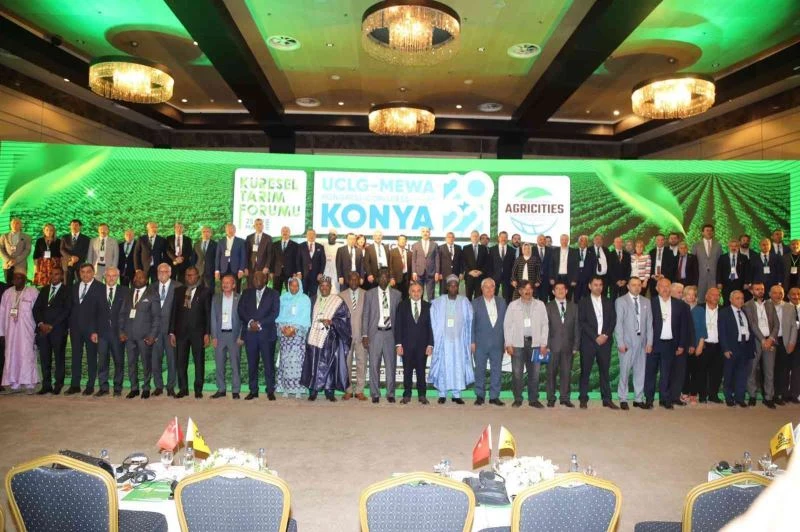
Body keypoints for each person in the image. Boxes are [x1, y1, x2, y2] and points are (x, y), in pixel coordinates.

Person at [300, 277, 351, 401]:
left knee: (329, 365)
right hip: (313, 337)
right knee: (313, 364)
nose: (324, 288)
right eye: (322, 285)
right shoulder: (313, 299)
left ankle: (329, 391)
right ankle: (313, 391)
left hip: (329, 339)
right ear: (319, 287)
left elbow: (344, 319)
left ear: (330, 287)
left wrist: (332, 322)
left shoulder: (337, 301)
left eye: (326, 286)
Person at [645, 278, 690, 409]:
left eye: (667, 286)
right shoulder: (650, 303)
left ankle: (665, 399)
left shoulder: (680, 305)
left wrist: (681, 345)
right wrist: (647, 342)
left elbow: (684, 327)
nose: (665, 289)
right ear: (657, 288)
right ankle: (649, 399)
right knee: (650, 373)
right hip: (653, 344)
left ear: (670, 288)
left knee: (667, 374)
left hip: (670, 344)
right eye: (662, 286)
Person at [430, 275, 474, 403]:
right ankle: (442, 394)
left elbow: (470, 321)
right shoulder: (439, 302)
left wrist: (468, 339)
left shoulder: (464, 301)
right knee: (443, 367)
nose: (453, 288)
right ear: (447, 287)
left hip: (459, 341)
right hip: (444, 341)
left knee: (458, 367)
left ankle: (456, 395)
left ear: (458, 287)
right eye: (451, 286)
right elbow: (433, 320)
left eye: (455, 286)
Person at [504, 280, 548, 408]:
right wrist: (508, 343)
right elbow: (507, 325)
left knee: (535, 374)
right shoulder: (512, 305)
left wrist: (543, 343)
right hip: (517, 344)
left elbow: (545, 325)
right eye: (524, 289)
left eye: (530, 288)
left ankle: (533, 399)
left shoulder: (540, 305)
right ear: (520, 291)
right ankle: (518, 398)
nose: (527, 291)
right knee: (517, 373)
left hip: (535, 344)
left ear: (533, 290)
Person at [65, 263, 107, 395]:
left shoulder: (101, 287)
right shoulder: (74, 287)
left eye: (88, 272)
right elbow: (70, 308)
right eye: (82, 272)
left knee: (91, 358)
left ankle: (90, 385)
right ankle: (75, 385)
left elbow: (102, 312)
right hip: (75, 329)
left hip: (92, 330)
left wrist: (96, 330)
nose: (85, 274)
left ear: (93, 273)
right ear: (79, 273)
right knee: (75, 357)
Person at [238, 271, 280, 400]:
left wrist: (260, 323)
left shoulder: (273, 294)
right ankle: (253, 390)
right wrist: (251, 322)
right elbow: (241, 310)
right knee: (252, 364)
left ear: (265, 279)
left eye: (258, 278)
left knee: (268, 364)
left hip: (266, 334)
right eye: (254, 278)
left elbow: (275, 313)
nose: (256, 280)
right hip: (250, 334)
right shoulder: (246, 293)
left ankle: (270, 390)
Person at [169, 266, 210, 399]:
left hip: (198, 333)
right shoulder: (178, 291)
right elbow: (174, 312)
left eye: (192, 275)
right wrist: (172, 332)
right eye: (187, 275)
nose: (189, 277)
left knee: (199, 362)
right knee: (181, 362)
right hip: (181, 333)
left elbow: (208, 314)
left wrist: (207, 333)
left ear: (197, 276)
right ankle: (183, 389)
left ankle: (198, 389)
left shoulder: (205, 291)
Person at [119, 269, 161, 399]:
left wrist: (152, 336)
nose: (138, 279)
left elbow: (157, 318)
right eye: (136, 277)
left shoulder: (152, 294)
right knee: (131, 363)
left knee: (146, 364)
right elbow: (122, 314)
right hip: (129, 336)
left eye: (141, 277)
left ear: (146, 280)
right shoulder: (128, 293)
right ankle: (134, 388)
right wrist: (121, 331)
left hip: (145, 337)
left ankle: (146, 388)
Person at [578, 276, 617, 409]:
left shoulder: (608, 301)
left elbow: (613, 320)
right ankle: (583, 398)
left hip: (605, 342)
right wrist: (595, 337)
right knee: (585, 371)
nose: (598, 287)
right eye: (595, 285)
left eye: (600, 285)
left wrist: (605, 335)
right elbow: (582, 322)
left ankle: (607, 399)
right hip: (589, 342)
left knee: (605, 372)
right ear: (590, 286)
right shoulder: (583, 302)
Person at [614, 277, 653, 410]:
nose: (637, 287)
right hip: (627, 342)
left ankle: (638, 398)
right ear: (628, 287)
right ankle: (623, 398)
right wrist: (620, 342)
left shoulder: (646, 301)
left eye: (639, 285)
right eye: (634, 285)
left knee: (640, 371)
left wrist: (649, 342)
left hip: (642, 342)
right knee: (624, 372)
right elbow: (618, 323)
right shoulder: (621, 301)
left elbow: (649, 324)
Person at [363, 269, 401, 403]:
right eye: (381, 277)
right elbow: (365, 315)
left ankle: (390, 393)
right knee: (374, 365)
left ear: (389, 279)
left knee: (391, 365)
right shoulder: (369, 294)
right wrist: (365, 334)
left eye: (386, 277)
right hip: (375, 334)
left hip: (390, 333)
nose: (384, 279)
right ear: (377, 279)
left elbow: (399, 317)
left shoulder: (397, 294)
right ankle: (375, 393)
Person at [394, 281, 434, 404]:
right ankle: (407, 395)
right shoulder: (402, 306)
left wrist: (430, 344)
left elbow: (431, 327)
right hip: (406, 345)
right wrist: (398, 344)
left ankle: (422, 395)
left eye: (418, 291)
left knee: (421, 371)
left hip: (422, 346)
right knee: (407, 371)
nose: (416, 293)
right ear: (409, 292)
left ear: (422, 292)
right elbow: (398, 326)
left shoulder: (428, 306)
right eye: (413, 291)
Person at [32, 266, 70, 394]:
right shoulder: (44, 290)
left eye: (57, 274)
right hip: (43, 330)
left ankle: (58, 384)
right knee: (44, 359)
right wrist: (41, 324)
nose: (54, 276)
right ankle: (46, 385)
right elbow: (36, 309)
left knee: (59, 358)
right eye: (52, 274)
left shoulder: (67, 290)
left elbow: (66, 311)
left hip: (58, 330)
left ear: (61, 276)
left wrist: (52, 325)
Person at [0, 272, 39, 393]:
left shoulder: (33, 292)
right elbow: (1, 313)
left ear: (25, 280)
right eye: (15, 278)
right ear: (12, 280)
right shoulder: (7, 293)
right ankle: (13, 382)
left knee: (27, 355)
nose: (17, 280)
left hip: (27, 331)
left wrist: (37, 330)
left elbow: (38, 312)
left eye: (20, 278)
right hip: (11, 331)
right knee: (11, 355)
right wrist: (1, 333)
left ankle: (29, 383)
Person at [743, 281, 779, 408]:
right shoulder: (747, 305)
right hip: (756, 341)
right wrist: (763, 340)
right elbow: (752, 324)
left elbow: (776, 324)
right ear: (752, 291)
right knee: (752, 369)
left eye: (762, 289)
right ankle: (752, 395)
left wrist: (770, 339)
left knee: (769, 371)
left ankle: (768, 397)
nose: (760, 291)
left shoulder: (770, 304)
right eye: (757, 289)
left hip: (770, 341)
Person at [471, 278, 506, 406]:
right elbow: (471, 324)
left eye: (492, 286)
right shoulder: (475, 303)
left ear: (495, 288)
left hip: (498, 342)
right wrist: (472, 341)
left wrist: (506, 341)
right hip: (480, 343)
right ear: (482, 289)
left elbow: (506, 324)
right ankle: (480, 396)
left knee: (496, 370)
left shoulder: (502, 302)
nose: (489, 289)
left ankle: (494, 397)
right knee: (479, 370)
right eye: (486, 287)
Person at [545, 281, 580, 408]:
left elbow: (577, 327)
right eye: (557, 289)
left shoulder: (574, 307)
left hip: (568, 346)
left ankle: (565, 398)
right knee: (551, 373)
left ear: (566, 291)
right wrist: (546, 345)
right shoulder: (547, 306)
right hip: (552, 346)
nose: (560, 291)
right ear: (553, 292)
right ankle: (551, 398)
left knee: (566, 373)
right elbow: (544, 327)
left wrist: (576, 346)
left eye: (562, 288)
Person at [210, 274, 244, 399]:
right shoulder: (216, 298)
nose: (225, 285)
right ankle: (221, 389)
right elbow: (213, 318)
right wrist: (214, 336)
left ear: (234, 285)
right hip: (220, 336)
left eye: (228, 282)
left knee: (235, 364)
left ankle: (235, 390)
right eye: (223, 282)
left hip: (234, 336)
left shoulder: (239, 298)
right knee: (219, 364)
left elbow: (243, 319)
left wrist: (241, 336)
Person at [719, 290, 756, 407]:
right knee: (729, 374)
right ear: (731, 300)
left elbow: (750, 329)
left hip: (745, 347)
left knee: (742, 374)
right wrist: (725, 349)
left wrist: (752, 347)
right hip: (732, 347)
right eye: (737, 298)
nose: (741, 300)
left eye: (742, 298)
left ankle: (740, 398)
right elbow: (722, 332)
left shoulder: (745, 312)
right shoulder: (724, 313)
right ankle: (729, 397)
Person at [275, 277, 310, 399]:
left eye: (296, 285)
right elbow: (279, 315)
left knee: (297, 363)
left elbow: (305, 318)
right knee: (285, 362)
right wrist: (283, 328)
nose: (294, 288)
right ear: (288, 286)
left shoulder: (305, 299)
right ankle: (285, 387)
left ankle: (298, 389)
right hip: (285, 336)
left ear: (300, 286)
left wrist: (294, 329)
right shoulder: (283, 298)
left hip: (298, 336)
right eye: (291, 285)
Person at [96, 266, 128, 397]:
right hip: (102, 333)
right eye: (108, 275)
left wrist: (124, 331)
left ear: (118, 277)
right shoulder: (98, 291)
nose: (111, 278)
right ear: (104, 277)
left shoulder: (125, 291)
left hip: (118, 334)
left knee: (119, 362)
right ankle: (103, 387)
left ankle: (118, 388)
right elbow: (93, 313)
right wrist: (94, 331)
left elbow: (127, 314)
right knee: (102, 362)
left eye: (114, 276)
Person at [150, 263, 181, 396]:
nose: (162, 274)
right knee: (155, 360)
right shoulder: (151, 287)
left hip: (171, 331)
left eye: (165, 271)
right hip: (155, 330)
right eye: (160, 271)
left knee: (171, 359)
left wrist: (175, 331)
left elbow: (181, 311)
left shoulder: (178, 287)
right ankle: (158, 386)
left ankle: (170, 386)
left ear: (170, 273)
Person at [691, 287, 723, 404]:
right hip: (703, 345)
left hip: (718, 345)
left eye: (717, 295)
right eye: (713, 295)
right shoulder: (699, 309)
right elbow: (695, 327)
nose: (715, 297)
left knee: (717, 372)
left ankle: (713, 395)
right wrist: (697, 344)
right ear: (706, 297)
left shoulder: (723, 310)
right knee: (701, 371)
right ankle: (702, 395)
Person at [341, 271, 367, 400]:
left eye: (356, 279)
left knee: (362, 362)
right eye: (351, 279)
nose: (353, 282)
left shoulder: (366, 294)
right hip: (347, 336)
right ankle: (348, 389)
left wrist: (366, 334)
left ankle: (359, 390)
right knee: (347, 363)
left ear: (359, 280)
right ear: (348, 281)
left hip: (362, 335)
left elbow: (368, 315)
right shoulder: (341, 296)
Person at [769, 285, 796, 405]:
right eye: (775, 293)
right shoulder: (765, 305)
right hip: (769, 340)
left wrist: (791, 342)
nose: (778, 295)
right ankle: (768, 394)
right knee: (768, 369)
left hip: (784, 341)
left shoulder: (790, 307)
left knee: (782, 370)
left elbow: (794, 327)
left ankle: (778, 395)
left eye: (780, 293)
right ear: (770, 294)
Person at [668, 283, 694, 406]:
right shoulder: (664, 303)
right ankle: (666, 396)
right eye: (679, 292)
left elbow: (689, 327)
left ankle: (675, 396)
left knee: (679, 373)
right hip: (666, 344)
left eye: (682, 292)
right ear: (671, 291)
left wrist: (689, 344)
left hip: (681, 345)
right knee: (667, 372)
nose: (681, 294)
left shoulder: (685, 306)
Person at [678, 285, 699, 404]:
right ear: (684, 295)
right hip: (681, 343)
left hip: (695, 343)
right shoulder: (680, 307)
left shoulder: (699, 309)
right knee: (683, 370)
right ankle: (684, 392)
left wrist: (695, 344)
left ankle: (693, 393)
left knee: (694, 369)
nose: (691, 297)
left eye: (693, 294)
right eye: (688, 294)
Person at [693, 223, 722, 301]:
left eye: (711, 231)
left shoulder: (718, 245)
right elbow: (693, 262)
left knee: (713, 299)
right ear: (702, 232)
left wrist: (719, 280)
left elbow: (720, 263)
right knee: (700, 299)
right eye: (707, 230)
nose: (709, 232)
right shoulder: (696, 245)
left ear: (713, 232)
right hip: (700, 277)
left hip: (713, 277)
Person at [215, 223, 247, 292]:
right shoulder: (221, 241)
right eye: (228, 229)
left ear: (235, 230)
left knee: (236, 288)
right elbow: (218, 256)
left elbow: (243, 256)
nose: (230, 230)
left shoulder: (241, 241)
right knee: (224, 288)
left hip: (236, 269)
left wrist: (241, 270)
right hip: (223, 269)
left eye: (232, 229)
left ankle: (236, 299)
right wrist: (217, 270)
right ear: (226, 231)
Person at [716, 239, 749, 305]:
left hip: (739, 283)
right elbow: (719, 270)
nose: (733, 248)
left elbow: (747, 271)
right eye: (731, 246)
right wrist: (719, 282)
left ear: (738, 247)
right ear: (729, 247)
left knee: (738, 301)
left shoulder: (744, 258)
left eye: (735, 246)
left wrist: (746, 282)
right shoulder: (723, 257)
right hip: (726, 283)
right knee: (727, 301)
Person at [411, 227, 440, 301]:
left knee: (431, 294)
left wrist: (437, 272)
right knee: (418, 293)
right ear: (421, 233)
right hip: (419, 273)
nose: (425, 233)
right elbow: (413, 260)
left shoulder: (435, 245)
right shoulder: (415, 245)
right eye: (423, 231)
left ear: (430, 233)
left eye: (427, 231)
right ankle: (419, 307)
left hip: (431, 273)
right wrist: (414, 272)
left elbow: (437, 259)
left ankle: (430, 308)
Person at [0, 218, 32, 283]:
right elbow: (1, 249)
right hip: (8, 265)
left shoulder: (27, 237)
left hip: (21, 265)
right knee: (8, 286)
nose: (15, 225)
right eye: (13, 223)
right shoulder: (4, 236)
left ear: (21, 225)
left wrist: (16, 260)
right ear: (10, 225)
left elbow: (27, 250)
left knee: (20, 286)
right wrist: (8, 260)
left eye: (17, 223)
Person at [296, 229, 325, 299]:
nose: (311, 236)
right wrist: (299, 272)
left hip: (315, 276)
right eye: (309, 234)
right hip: (304, 275)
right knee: (303, 294)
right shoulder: (301, 246)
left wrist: (321, 273)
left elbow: (323, 261)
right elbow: (298, 260)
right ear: (306, 236)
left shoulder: (320, 247)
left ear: (315, 236)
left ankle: (312, 305)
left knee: (313, 295)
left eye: (313, 234)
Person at [245, 218, 272, 290]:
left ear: (263, 226)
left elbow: (269, 254)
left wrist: (267, 266)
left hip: (263, 268)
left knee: (262, 287)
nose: (258, 226)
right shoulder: (249, 237)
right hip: (251, 267)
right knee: (250, 287)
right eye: (256, 224)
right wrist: (246, 267)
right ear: (254, 226)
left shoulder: (268, 238)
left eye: (260, 224)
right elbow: (246, 254)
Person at [462, 230, 490, 300]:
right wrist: (469, 271)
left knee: (479, 297)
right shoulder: (465, 248)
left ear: (478, 238)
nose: (475, 237)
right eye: (473, 236)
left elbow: (487, 262)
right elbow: (463, 262)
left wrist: (481, 271)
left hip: (480, 277)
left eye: (476, 236)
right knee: (468, 297)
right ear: (471, 238)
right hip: (469, 277)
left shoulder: (483, 248)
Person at [549, 234, 578, 299]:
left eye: (566, 240)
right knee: (556, 295)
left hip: (569, 278)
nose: (564, 241)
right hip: (557, 277)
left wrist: (574, 279)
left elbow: (576, 267)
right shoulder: (554, 251)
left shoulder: (574, 251)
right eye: (562, 239)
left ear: (568, 240)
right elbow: (551, 265)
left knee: (568, 296)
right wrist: (551, 278)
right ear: (560, 241)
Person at [490, 231, 515, 304]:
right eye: (502, 237)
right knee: (492, 296)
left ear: (507, 239)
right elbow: (489, 264)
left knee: (507, 297)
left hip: (507, 277)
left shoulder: (512, 250)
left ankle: (507, 310)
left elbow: (513, 266)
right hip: (494, 277)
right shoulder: (492, 249)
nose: (503, 239)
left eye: (505, 237)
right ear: (498, 238)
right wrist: (491, 276)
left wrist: (512, 277)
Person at [271, 226, 298, 293]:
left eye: (286, 231)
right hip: (277, 272)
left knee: (290, 292)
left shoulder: (295, 245)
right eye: (283, 231)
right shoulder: (275, 244)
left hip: (290, 273)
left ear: (289, 233)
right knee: (275, 292)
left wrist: (295, 272)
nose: (285, 233)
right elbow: (272, 259)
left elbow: (296, 260)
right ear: (281, 233)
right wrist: (271, 271)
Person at [438, 232, 463, 296]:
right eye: (449, 237)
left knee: (454, 292)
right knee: (443, 292)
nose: (451, 239)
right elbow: (438, 261)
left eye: (452, 237)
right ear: (446, 238)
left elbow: (461, 261)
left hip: (456, 274)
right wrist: (439, 273)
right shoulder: (440, 248)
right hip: (444, 274)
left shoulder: (459, 248)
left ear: (454, 238)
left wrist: (461, 272)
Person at [192, 226, 217, 291]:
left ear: (211, 233)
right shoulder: (196, 244)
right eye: (204, 232)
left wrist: (216, 270)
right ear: (201, 233)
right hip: (198, 271)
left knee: (210, 290)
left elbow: (217, 259)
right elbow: (193, 258)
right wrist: (193, 270)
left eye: (208, 231)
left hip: (210, 271)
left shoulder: (215, 244)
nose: (206, 233)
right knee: (197, 290)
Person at [574, 235, 596, 302]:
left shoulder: (592, 253)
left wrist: (592, 280)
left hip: (588, 280)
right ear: (578, 242)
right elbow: (571, 267)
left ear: (587, 242)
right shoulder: (574, 252)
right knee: (576, 299)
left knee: (587, 299)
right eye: (581, 240)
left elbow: (594, 267)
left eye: (584, 241)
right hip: (576, 280)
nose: (583, 242)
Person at [787, 288, 800, 402]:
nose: (796, 296)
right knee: (785, 368)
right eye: (793, 294)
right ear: (788, 296)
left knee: (797, 368)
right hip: (786, 340)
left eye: (798, 294)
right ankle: (784, 393)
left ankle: (795, 394)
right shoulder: (784, 308)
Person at [534, 235, 552, 302]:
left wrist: (551, 277)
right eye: (540, 239)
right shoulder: (532, 249)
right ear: (537, 240)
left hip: (546, 279)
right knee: (534, 298)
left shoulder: (550, 250)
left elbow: (552, 265)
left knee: (544, 299)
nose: (542, 241)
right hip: (534, 279)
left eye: (544, 239)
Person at [321, 230, 341, 295]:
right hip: (325, 271)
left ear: (336, 238)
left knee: (335, 290)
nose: (331, 238)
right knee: (324, 288)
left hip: (335, 272)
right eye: (329, 236)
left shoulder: (339, 246)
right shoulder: (323, 245)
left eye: (333, 236)